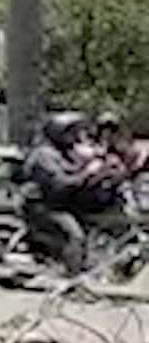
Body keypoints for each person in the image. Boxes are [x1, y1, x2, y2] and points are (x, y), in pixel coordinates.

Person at [21, 111, 120, 274]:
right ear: (59, 132)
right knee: (76, 236)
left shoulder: (62, 152)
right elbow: (61, 184)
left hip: (62, 201)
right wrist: (87, 173)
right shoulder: (44, 155)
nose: (76, 137)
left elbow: (74, 171)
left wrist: (102, 172)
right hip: (44, 205)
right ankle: (74, 278)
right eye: (71, 133)